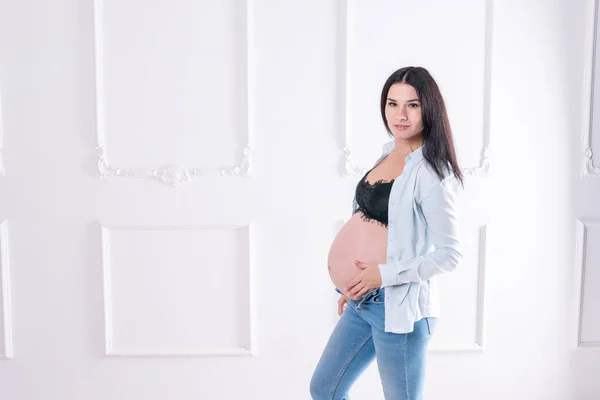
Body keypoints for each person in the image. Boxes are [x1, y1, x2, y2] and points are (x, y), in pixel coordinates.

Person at [310, 66, 464, 400]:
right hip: (362, 300)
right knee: (324, 389)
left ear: (429, 109)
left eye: (413, 105)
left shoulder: (433, 174)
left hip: (399, 310)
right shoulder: (389, 153)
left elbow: (451, 254)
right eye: (393, 103)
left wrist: (382, 275)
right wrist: (355, 283)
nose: (401, 114)